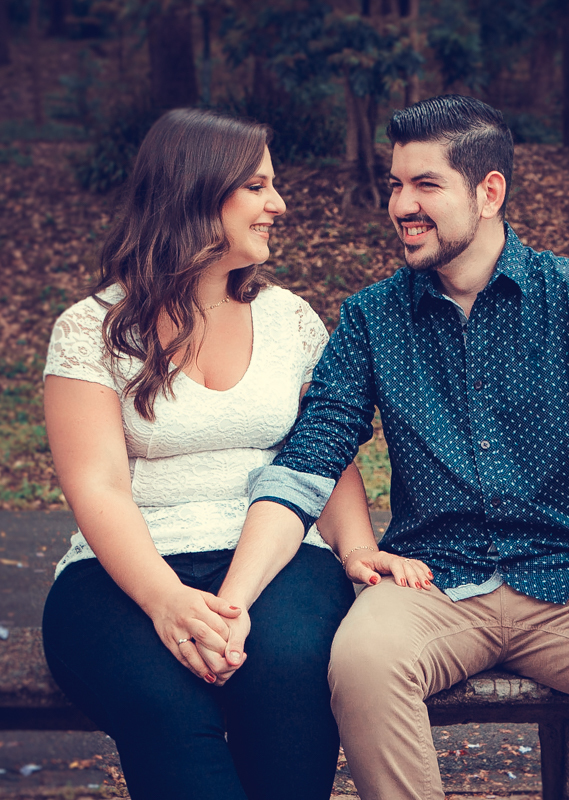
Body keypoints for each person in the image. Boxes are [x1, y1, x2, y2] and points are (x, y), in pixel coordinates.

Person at [234, 94, 569, 800]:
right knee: (363, 661)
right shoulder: (372, 317)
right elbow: (309, 461)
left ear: (488, 191)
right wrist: (236, 600)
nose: (401, 204)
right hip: (428, 582)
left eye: (425, 184)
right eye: (396, 184)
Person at [40, 107, 432, 800]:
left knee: (291, 668)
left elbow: (325, 452)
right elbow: (97, 486)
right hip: (125, 569)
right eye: (257, 186)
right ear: (196, 190)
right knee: (165, 701)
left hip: (278, 559)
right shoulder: (90, 330)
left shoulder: (290, 321)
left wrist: (355, 546)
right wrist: (166, 601)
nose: (278, 204)